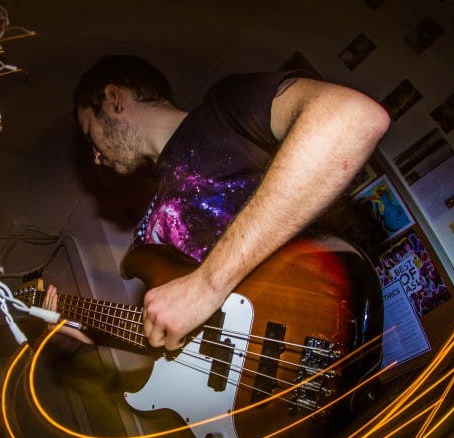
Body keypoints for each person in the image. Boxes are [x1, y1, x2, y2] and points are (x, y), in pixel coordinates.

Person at [45, 54, 390, 350]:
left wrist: (207, 284)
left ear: (113, 100)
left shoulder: (224, 108)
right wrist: (90, 330)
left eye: (90, 133)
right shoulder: (148, 230)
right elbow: (186, 339)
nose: (95, 157)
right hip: (255, 388)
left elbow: (352, 117)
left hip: (323, 320)